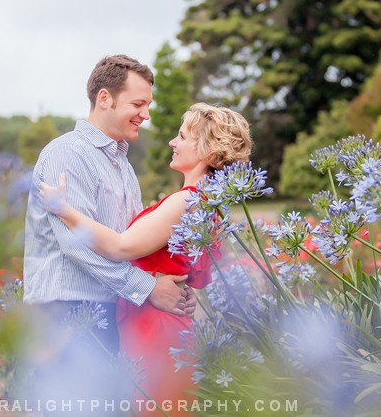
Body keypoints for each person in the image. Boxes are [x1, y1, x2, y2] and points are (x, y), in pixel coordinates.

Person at [40, 103, 253, 416]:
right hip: (169, 318)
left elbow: (121, 247)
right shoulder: (212, 205)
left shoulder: (186, 201)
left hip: (153, 322)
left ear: (207, 150)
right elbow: (200, 274)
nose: (172, 142)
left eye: (182, 137)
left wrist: (64, 209)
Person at [22, 55, 195, 414]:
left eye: (147, 104)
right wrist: (150, 289)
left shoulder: (121, 165)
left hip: (107, 309)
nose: (145, 114)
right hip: (65, 312)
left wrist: (169, 285)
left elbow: (131, 244)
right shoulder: (65, 154)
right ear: (105, 98)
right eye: (138, 104)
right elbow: (77, 245)